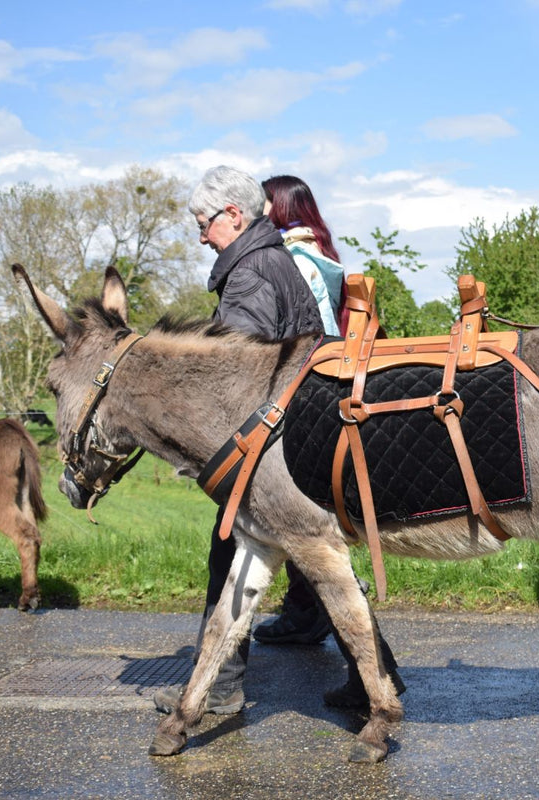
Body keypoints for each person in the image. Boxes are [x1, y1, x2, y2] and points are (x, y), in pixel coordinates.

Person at [153, 165, 324, 715]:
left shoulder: (250, 273)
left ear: (233, 215)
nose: (201, 236)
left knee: (230, 557)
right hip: (293, 439)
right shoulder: (269, 260)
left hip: (267, 450)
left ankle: (221, 684)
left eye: (204, 223)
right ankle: (376, 674)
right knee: (320, 561)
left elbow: (232, 380)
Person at [257, 174, 405, 708]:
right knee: (306, 531)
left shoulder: (295, 256)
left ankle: (375, 672)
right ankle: (303, 618)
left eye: (262, 202)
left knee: (311, 537)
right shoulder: (321, 250)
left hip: (312, 398)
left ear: (277, 207)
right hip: (335, 392)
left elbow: (310, 335)